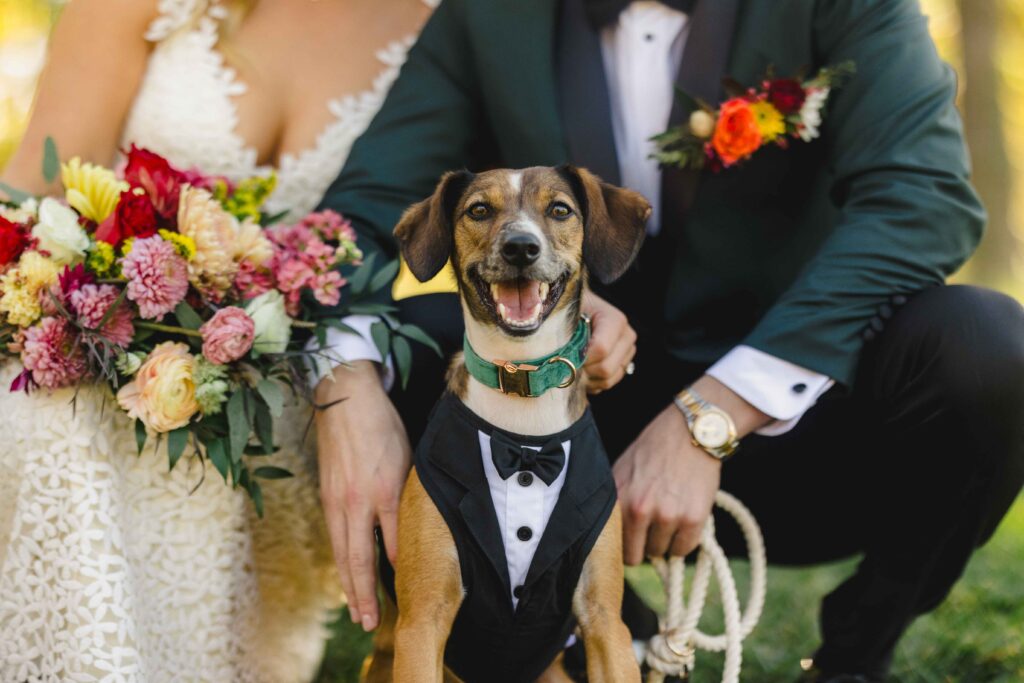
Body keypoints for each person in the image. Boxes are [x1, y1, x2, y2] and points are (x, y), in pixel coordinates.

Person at [313, 0, 1024, 680]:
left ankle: (856, 654)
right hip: (569, 422)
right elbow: (363, 209)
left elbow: (924, 200)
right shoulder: (487, 12)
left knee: (988, 345)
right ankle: (583, 636)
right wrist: (344, 387)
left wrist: (711, 413)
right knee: (403, 347)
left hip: (807, 422)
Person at [0, 0, 434, 680]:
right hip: (95, 330)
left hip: (291, 393)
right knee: (60, 416)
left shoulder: (449, 25)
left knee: (172, 432)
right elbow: (34, 185)